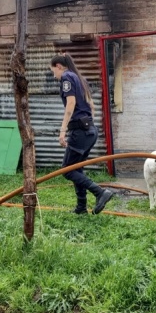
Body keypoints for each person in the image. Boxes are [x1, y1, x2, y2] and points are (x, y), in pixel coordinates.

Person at [50, 53, 114, 215]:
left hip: (80, 132)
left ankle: (100, 192)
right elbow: (92, 107)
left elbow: (71, 103)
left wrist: (63, 130)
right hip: (89, 131)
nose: (54, 75)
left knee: (67, 170)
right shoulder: (79, 78)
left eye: (53, 71)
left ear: (59, 66)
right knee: (76, 169)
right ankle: (81, 208)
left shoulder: (67, 77)